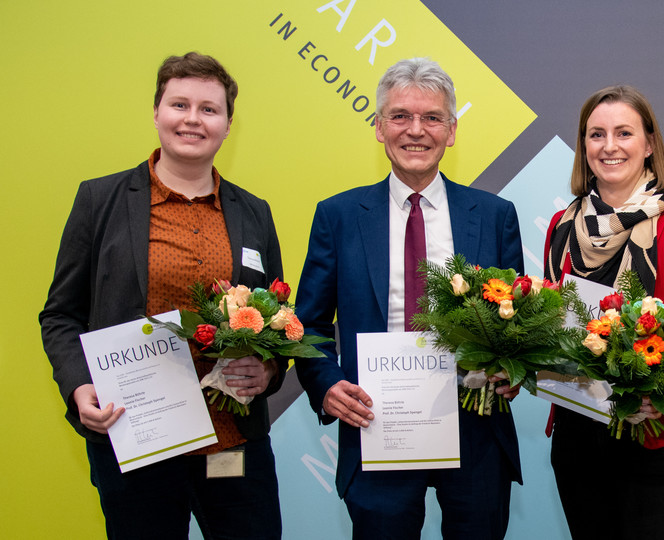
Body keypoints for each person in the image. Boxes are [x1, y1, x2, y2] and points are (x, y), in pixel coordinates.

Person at [39, 52, 283, 539]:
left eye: (209, 109)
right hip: (136, 441)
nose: (193, 119)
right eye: (180, 105)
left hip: (233, 444)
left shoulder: (254, 212)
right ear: (156, 113)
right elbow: (61, 315)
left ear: (228, 125)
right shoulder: (99, 201)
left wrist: (269, 368)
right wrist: (78, 384)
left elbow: (277, 319)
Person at [294, 57, 524, 539]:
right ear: (379, 127)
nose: (415, 131)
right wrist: (328, 385)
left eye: (432, 118)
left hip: (475, 424)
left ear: (452, 130)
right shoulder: (337, 216)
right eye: (400, 116)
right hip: (378, 423)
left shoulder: (495, 214)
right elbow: (308, 326)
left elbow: (514, 322)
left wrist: (511, 367)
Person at [543, 85, 664, 539]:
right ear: (583, 147)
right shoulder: (562, 226)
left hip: (657, 433)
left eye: (624, 133)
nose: (609, 146)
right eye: (596, 134)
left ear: (649, 144)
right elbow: (552, 321)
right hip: (579, 430)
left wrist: (658, 390)